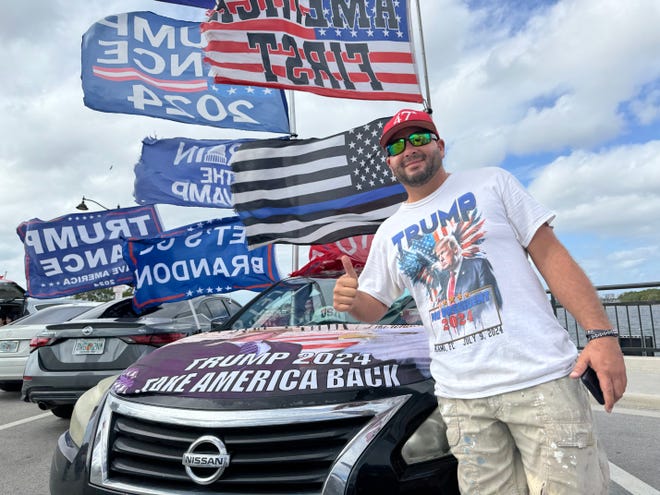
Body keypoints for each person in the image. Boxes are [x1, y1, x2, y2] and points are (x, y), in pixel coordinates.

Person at [333, 109, 627, 494]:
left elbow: (550, 256)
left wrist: (601, 334)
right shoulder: (390, 232)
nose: (409, 149)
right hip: (462, 400)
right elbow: (372, 305)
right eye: (397, 145)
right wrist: (351, 300)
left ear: (440, 145)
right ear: (389, 161)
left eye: (419, 138)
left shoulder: (493, 183)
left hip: (541, 381)